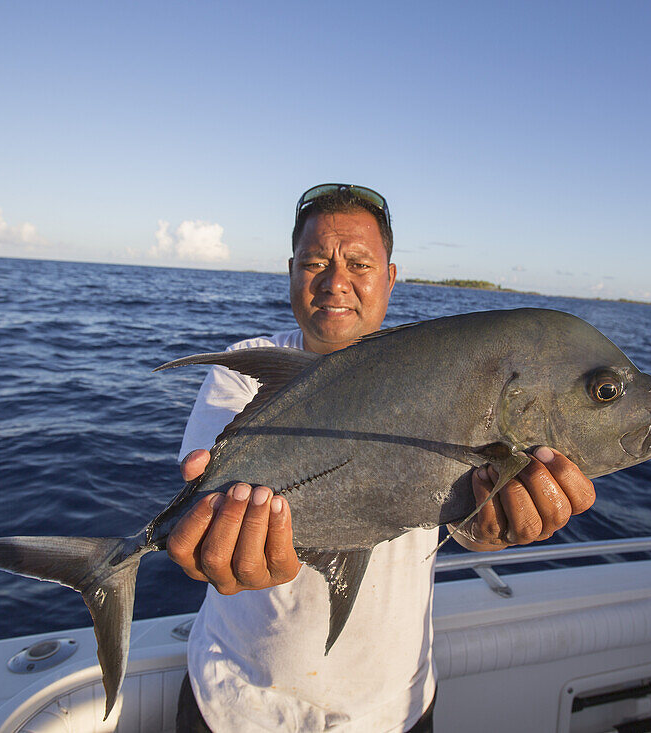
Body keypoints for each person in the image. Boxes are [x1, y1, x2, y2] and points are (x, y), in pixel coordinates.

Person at [166, 184, 596, 732]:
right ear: (291, 271)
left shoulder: (443, 375)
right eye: (315, 261)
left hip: (391, 708)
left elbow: (463, 526)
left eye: (359, 264)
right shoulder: (242, 370)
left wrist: (497, 525)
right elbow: (202, 508)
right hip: (236, 703)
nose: (335, 282)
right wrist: (205, 547)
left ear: (390, 277)